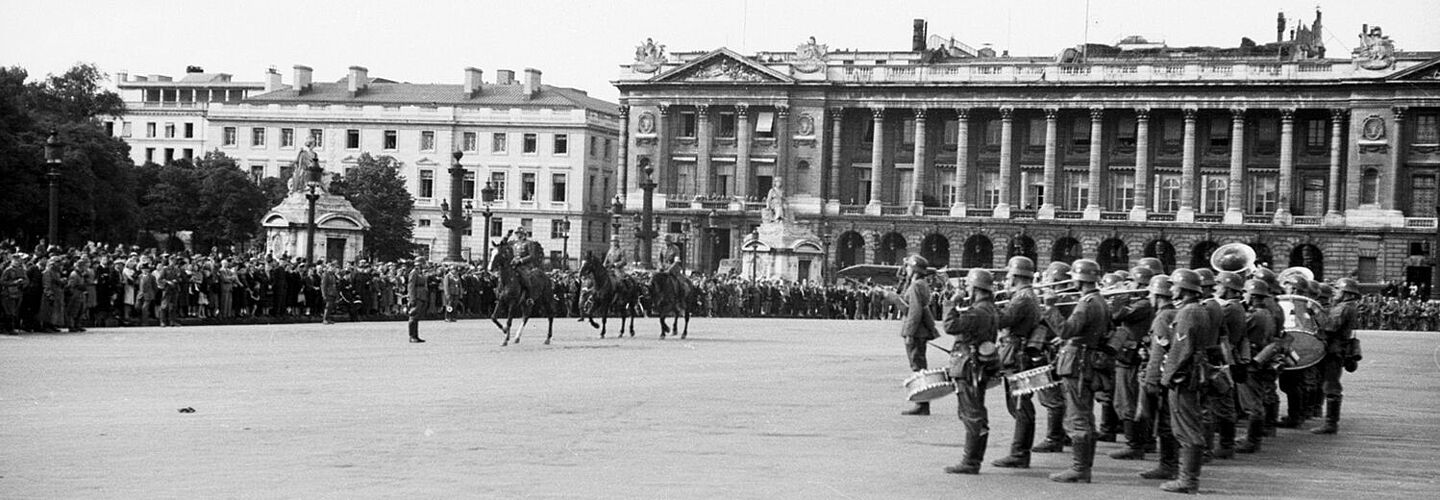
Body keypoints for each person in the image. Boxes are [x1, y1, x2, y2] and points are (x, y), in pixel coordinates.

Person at [1049, 259, 1108, 484]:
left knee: (1077, 417)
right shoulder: (1100, 301)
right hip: (1088, 361)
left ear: (1079, 278)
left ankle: (1079, 469)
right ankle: (1083, 467)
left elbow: (1066, 330)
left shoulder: (1086, 303)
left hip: (1078, 363)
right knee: (1086, 415)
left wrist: (1050, 308)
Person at [1159, 268, 1214, 494]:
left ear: (1183, 289)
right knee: (1189, 424)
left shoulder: (1188, 312)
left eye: (1174, 286)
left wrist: (1166, 378)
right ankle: (1187, 478)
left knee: (1186, 427)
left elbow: (1181, 349)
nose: (1171, 289)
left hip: (1184, 377)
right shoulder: (1197, 309)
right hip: (1193, 373)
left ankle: (1188, 480)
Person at [942, 268, 999, 474]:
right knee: (977, 413)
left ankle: (971, 461)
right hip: (979, 366)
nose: (966, 290)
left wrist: (951, 303)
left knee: (971, 414)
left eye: (968, 287)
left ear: (976, 288)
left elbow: (950, 326)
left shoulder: (978, 312)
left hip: (969, 367)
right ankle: (973, 459)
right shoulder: (989, 308)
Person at [991, 256, 1042, 469]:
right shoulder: (1027, 296)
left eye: (1009, 275)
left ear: (1017, 276)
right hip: (1019, 352)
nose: (1007, 280)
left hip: (1016, 354)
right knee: (1021, 405)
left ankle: (1020, 453)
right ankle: (1020, 452)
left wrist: (988, 304)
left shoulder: (1021, 298)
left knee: (1020, 405)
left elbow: (1002, 321)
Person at [1138, 275, 1181, 481]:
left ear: (1158, 296)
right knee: (1168, 420)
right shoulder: (1175, 312)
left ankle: (1168, 465)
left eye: (1152, 294)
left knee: (1164, 422)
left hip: (1162, 375)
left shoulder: (1163, 317)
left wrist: (1151, 380)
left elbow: (1158, 352)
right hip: (1172, 374)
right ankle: (1170, 463)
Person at [1309, 277, 1360, 435]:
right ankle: (1330, 422)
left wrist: (1316, 311)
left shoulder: (1343, 308)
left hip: (1334, 350)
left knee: (1331, 385)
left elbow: (1329, 327)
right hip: (1338, 349)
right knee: (1330, 384)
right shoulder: (1347, 306)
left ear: (1346, 293)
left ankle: (1331, 424)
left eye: (1337, 289)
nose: (1334, 292)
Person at [1236, 279, 1277, 453]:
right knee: (1257, 399)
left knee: (1252, 403)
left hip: (1252, 361)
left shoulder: (1254, 315)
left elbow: (1238, 330)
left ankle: (1252, 441)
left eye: (1245, 292)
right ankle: (1254, 438)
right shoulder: (1267, 313)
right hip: (1262, 359)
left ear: (1251, 296)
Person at [899, 255, 940, 416]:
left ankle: (922, 404)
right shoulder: (922, 284)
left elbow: (914, 311)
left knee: (917, 367)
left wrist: (909, 332)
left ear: (914, 269)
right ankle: (922, 403)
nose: (907, 270)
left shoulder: (916, 285)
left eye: (908, 267)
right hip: (920, 331)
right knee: (919, 365)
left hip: (916, 332)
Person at [1, 254, 28, 335]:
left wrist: (22, 283)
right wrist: (14, 282)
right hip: (8, 293)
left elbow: (26, 280)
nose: (17, 262)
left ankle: (12, 327)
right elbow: (2, 282)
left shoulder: (22, 270)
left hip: (18, 293)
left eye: (18, 260)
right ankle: (9, 328)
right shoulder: (8, 270)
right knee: (9, 312)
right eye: (15, 260)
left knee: (15, 311)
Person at [406, 257, 431, 343]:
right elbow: (411, 286)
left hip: (421, 296)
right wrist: (412, 298)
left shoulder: (420, 273)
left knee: (417, 317)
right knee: (413, 316)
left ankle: (416, 335)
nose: (425, 265)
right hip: (417, 296)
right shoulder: (414, 273)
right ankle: (412, 336)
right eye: (423, 263)